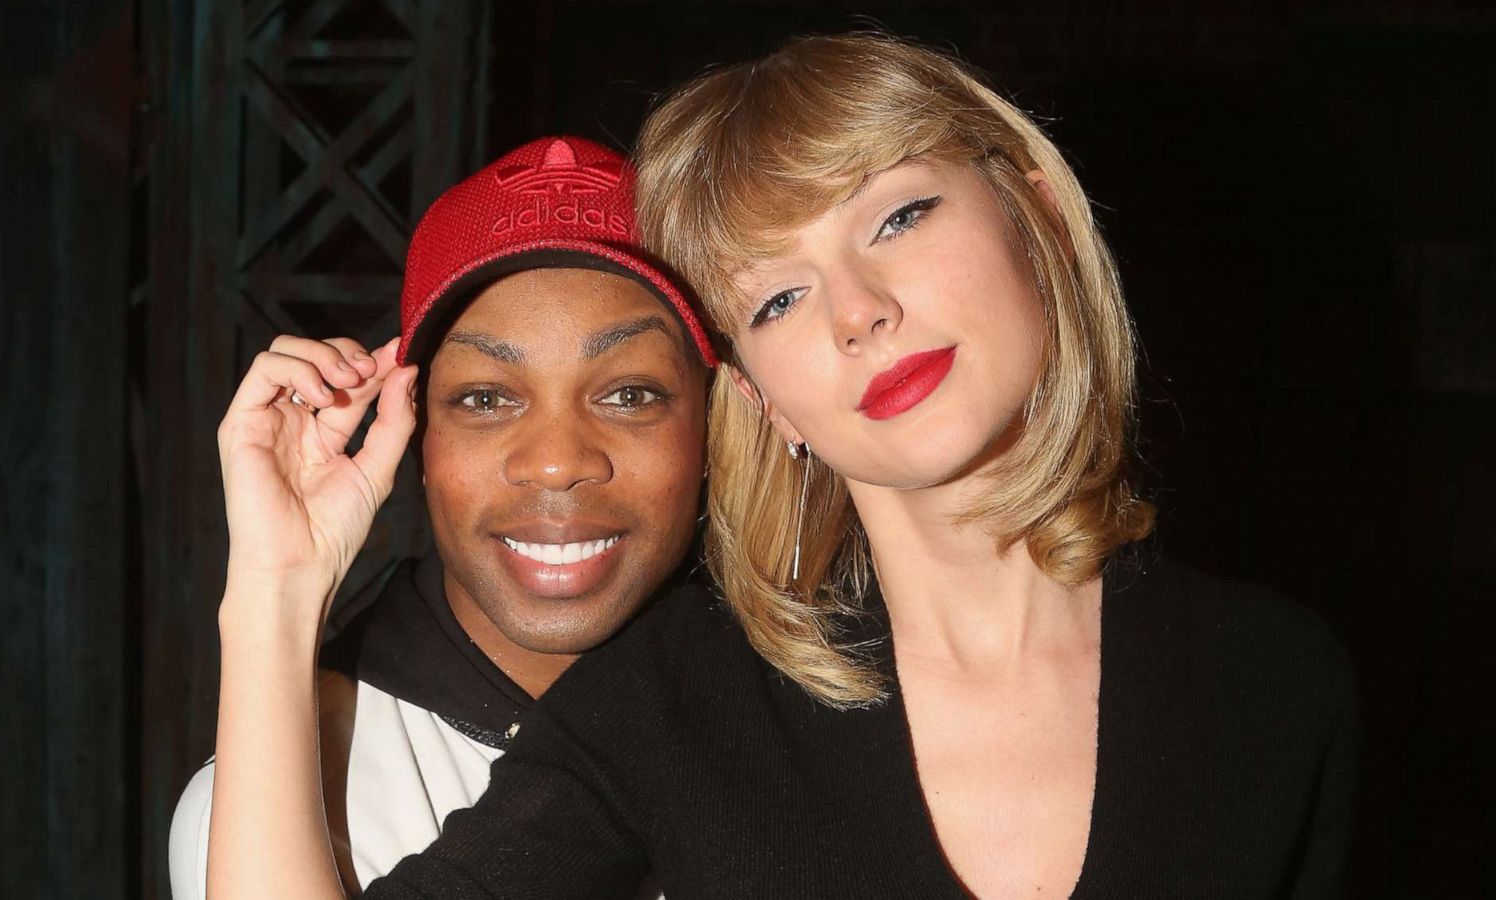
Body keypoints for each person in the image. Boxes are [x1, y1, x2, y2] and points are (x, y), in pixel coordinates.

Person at [213, 34, 1359, 900]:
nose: (858, 312)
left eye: (898, 215)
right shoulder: (676, 704)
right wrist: (272, 593)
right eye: (776, 294)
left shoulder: (1277, 682)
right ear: (760, 395)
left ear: (1041, 218)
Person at [177, 135, 715, 898]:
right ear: (415, 431)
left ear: (714, 427)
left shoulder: (812, 714)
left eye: (629, 393)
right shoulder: (281, 814)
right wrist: (278, 586)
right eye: (487, 399)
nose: (557, 461)